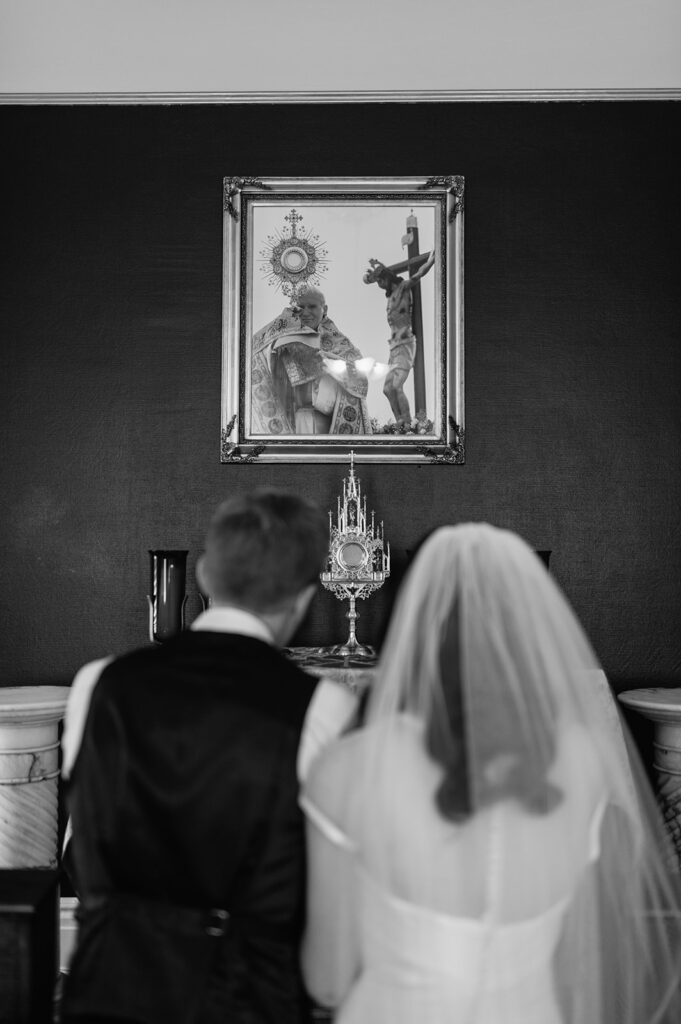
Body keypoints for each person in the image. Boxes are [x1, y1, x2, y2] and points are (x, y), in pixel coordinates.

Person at [300, 523, 681, 1024]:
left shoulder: (349, 767)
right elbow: (580, 955)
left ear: (411, 626)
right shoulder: (581, 761)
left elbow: (327, 979)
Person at [60, 488, 358, 1024]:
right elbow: (329, 900)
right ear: (306, 597)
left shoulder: (96, 684)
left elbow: (84, 844)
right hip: (247, 1001)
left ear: (203, 577)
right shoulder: (323, 709)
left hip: (105, 991)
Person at [250, 287, 371, 435]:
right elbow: (256, 357)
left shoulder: (340, 344)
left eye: (312, 306)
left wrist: (326, 365)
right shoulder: (282, 338)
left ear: (324, 309)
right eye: (301, 307)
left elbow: (359, 381)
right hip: (293, 422)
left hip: (329, 422)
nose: (306, 312)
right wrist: (276, 352)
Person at [363, 251, 435, 427]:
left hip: (405, 343)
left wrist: (432, 260)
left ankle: (409, 423)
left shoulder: (403, 287)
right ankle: (400, 422)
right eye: (378, 281)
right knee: (387, 389)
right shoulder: (390, 297)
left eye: (381, 281)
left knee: (396, 385)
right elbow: (370, 278)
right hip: (393, 345)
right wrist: (371, 273)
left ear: (387, 278)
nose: (379, 284)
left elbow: (419, 274)